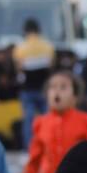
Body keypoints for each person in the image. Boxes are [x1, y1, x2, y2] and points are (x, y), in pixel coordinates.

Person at [19, 70, 87, 173]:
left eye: (63, 87)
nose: (57, 91)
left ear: (75, 96)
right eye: (52, 87)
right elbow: (35, 155)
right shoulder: (41, 122)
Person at [13, 18, 55, 149]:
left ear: (25, 30)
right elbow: (51, 67)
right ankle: (49, 146)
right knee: (48, 120)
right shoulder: (48, 46)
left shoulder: (20, 48)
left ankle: (29, 150)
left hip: (27, 90)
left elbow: (18, 70)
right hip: (45, 90)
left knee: (28, 122)